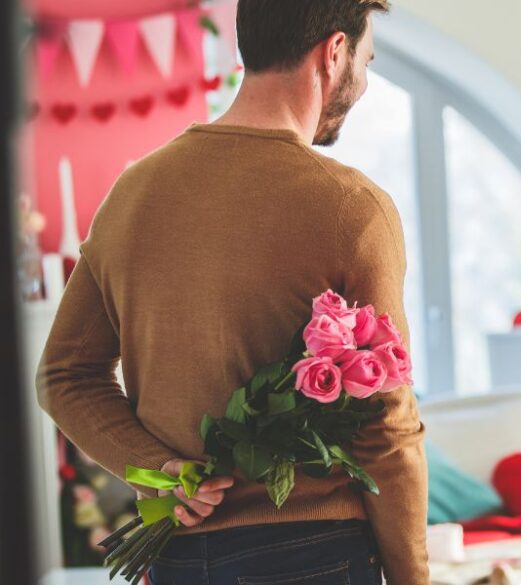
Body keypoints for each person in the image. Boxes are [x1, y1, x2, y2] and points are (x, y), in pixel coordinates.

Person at [35, 1, 428, 583]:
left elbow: (63, 375)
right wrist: (414, 576)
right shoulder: (352, 208)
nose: (363, 83)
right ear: (334, 53)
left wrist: (160, 472)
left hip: (178, 560)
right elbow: (385, 427)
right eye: (365, 61)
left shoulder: (133, 194)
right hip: (314, 555)